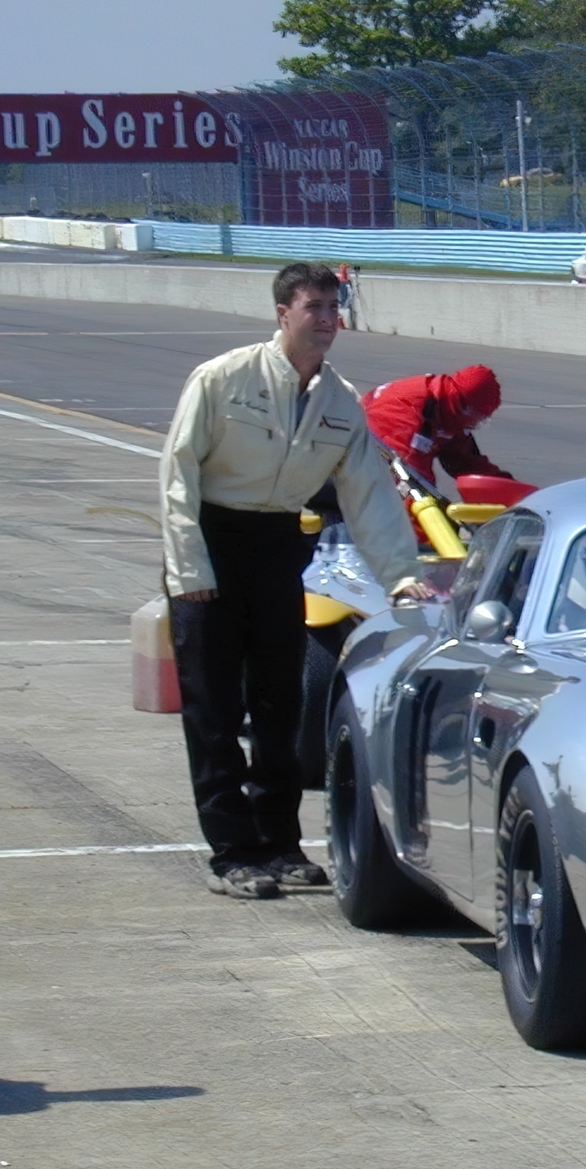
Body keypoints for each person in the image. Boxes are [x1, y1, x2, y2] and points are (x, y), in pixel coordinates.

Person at [161, 261, 435, 901]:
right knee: (214, 710)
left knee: (280, 705)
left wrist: (401, 579)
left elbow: (368, 494)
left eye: (333, 308)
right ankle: (233, 851)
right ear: (282, 313)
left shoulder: (340, 402)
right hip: (212, 544)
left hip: (280, 546)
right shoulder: (224, 378)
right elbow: (178, 477)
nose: (326, 320)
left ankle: (280, 843)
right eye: (313, 307)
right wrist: (188, 570)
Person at [361, 365, 516, 495]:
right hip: (361, 453)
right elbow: (411, 479)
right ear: (461, 404)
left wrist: (511, 490)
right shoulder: (413, 410)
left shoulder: (448, 410)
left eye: (481, 420)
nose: (473, 424)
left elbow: (467, 463)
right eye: (475, 417)